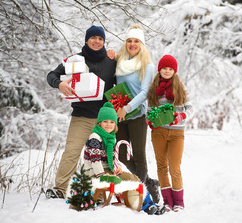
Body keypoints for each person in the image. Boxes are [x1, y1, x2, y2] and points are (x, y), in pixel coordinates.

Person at [46, 25, 117, 199]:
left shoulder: (112, 62)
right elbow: (51, 75)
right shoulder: (74, 60)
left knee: (103, 154)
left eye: (100, 39)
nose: (97, 41)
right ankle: (60, 189)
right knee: (72, 151)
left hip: (104, 121)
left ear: (104, 41)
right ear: (86, 40)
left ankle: (102, 192)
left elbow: (123, 82)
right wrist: (60, 84)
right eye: (93, 38)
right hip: (81, 116)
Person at [83, 102, 163, 215]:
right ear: (99, 123)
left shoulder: (111, 138)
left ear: (115, 124)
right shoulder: (95, 138)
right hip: (95, 172)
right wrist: (102, 176)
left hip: (109, 170)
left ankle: (149, 203)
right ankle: (144, 206)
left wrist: (118, 168)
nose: (108, 125)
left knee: (134, 178)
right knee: (126, 180)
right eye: (105, 121)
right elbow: (95, 162)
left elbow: (114, 158)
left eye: (111, 122)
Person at [114, 24, 160, 203]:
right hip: (120, 114)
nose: (132, 44)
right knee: (123, 152)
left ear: (141, 44)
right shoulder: (120, 62)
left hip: (137, 114)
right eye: (129, 41)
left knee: (139, 154)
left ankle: (142, 195)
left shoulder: (146, 65)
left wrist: (127, 108)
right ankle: (149, 183)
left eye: (136, 41)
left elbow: (144, 93)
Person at [146, 55, 193, 212]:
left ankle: (179, 202)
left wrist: (181, 116)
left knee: (174, 167)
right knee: (161, 166)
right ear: (160, 70)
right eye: (164, 68)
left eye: (170, 69)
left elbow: (190, 108)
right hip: (158, 132)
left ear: (174, 71)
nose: (167, 71)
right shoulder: (154, 88)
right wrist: (149, 119)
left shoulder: (181, 88)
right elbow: (150, 109)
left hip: (177, 133)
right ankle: (167, 201)